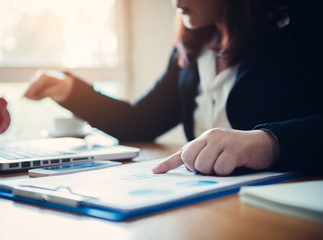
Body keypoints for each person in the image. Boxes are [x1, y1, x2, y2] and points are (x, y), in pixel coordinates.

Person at [24, 0, 323, 175]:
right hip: (210, 206)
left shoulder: (300, 27)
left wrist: (270, 142)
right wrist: (68, 90)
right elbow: (138, 122)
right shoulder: (191, 52)